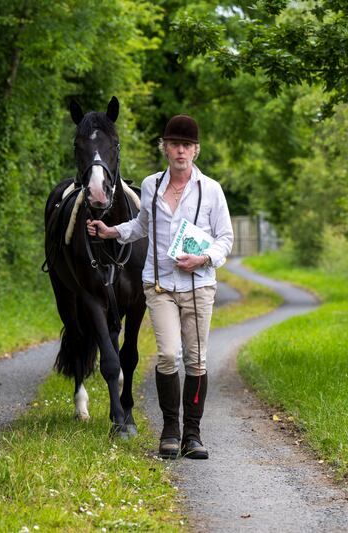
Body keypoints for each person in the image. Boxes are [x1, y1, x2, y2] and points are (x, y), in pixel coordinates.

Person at [87, 114, 233, 459]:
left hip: (199, 286)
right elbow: (141, 226)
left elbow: (225, 239)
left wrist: (204, 258)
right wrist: (112, 232)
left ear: (195, 151)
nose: (180, 151)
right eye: (174, 145)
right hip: (160, 285)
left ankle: (193, 435)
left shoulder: (210, 189)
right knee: (168, 355)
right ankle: (170, 430)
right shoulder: (151, 185)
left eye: (186, 145)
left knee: (196, 359)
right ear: (165, 149)